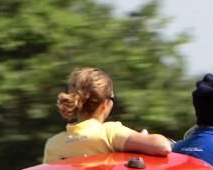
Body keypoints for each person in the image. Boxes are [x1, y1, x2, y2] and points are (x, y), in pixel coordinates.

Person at [43, 68, 172, 163]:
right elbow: (162, 146)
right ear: (105, 103)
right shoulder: (109, 132)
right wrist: (143, 140)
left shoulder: (53, 144)